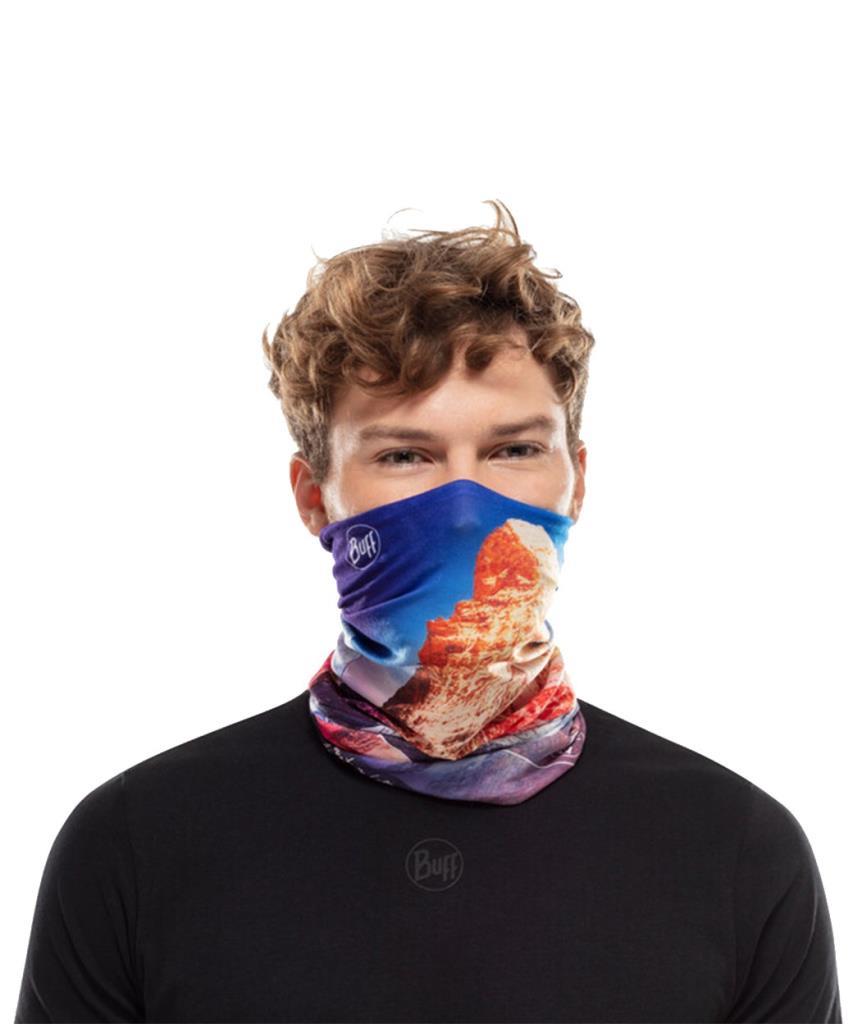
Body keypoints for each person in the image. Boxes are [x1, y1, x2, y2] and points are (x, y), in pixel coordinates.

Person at [14, 200, 842, 1023]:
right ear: (313, 497)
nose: (462, 509)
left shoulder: (732, 848)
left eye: (513, 449)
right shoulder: (139, 843)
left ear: (576, 481)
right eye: (405, 455)